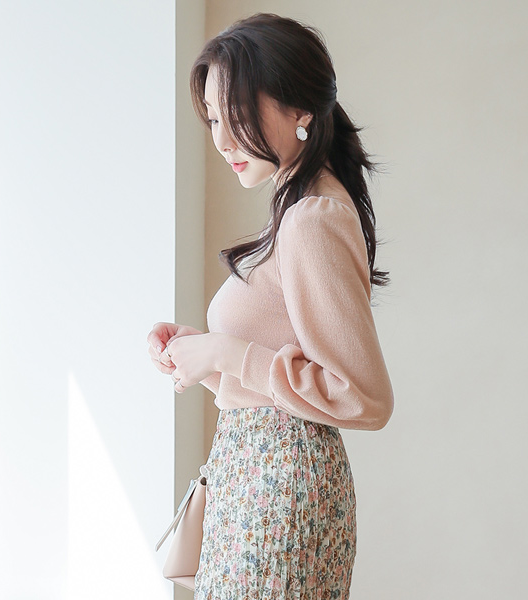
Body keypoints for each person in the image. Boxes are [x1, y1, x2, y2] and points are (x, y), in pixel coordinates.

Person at [146, 12, 394, 599]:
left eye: (235, 114)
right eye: (213, 118)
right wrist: (204, 355)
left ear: (299, 108)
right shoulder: (297, 207)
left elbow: (364, 396)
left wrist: (227, 353)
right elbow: (274, 384)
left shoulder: (312, 217)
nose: (221, 140)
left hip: (279, 490)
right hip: (256, 478)